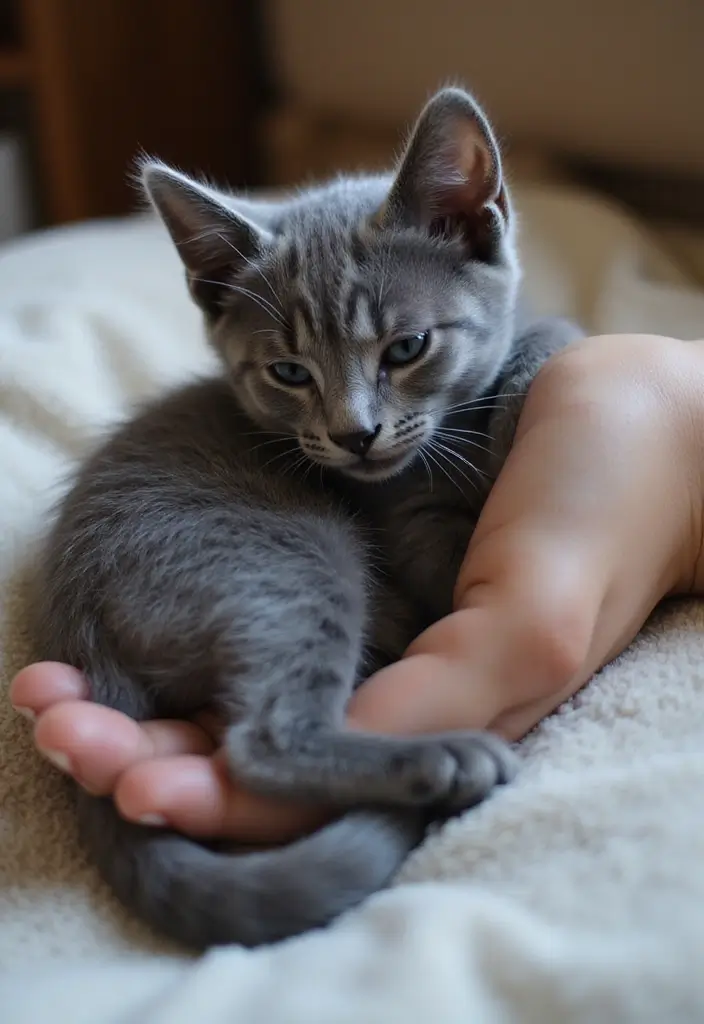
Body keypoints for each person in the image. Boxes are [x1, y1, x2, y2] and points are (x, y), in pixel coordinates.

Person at [10, 332, 704, 844]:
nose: (356, 424)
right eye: (294, 372)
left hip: (179, 597)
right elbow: (436, 569)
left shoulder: (541, 370)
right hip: (180, 547)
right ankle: (292, 740)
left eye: (403, 349)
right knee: (310, 560)